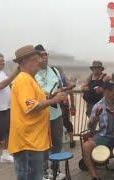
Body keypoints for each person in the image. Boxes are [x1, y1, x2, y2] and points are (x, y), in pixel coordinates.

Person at [8, 45, 67, 180]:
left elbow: (33, 100)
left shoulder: (30, 79)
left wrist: (50, 97)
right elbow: (31, 107)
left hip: (33, 140)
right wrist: (54, 101)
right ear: (23, 62)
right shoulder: (23, 80)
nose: (39, 61)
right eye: (35, 59)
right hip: (28, 142)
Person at [34, 44, 66, 180]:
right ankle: (44, 171)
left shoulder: (54, 70)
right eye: (41, 55)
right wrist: (53, 94)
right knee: (43, 145)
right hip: (41, 114)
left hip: (56, 113)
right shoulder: (32, 73)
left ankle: (55, 169)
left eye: (46, 54)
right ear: (36, 58)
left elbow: (60, 86)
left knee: (57, 143)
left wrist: (62, 94)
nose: (45, 57)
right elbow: (38, 93)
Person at [55, 66, 76, 148]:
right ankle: (71, 140)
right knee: (66, 122)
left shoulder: (62, 78)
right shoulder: (63, 78)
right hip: (63, 103)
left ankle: (65, 141)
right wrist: (73, 105)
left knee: (62, 122)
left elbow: (71, 88)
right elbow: (71, 89)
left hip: (60, 104)